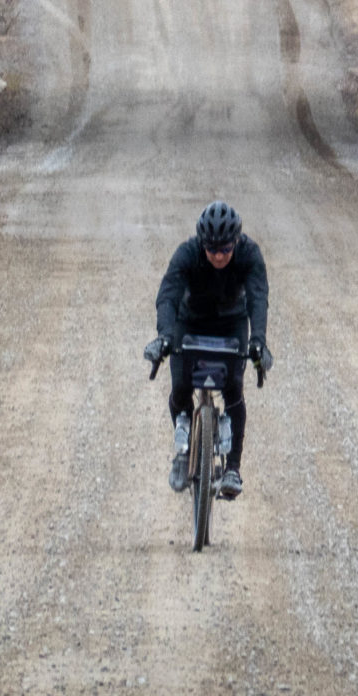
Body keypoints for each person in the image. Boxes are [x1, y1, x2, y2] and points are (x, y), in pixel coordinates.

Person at [143, 201, 271, 498]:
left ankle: (233, 469)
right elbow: (168, 295)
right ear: (202, 244)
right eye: (211, 249)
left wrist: (258, 341)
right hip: (190, 323)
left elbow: (258, 297)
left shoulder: (249, 255)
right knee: (180, 387)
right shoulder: (187, 254)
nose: (218, 255)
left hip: (231, 324)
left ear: (235, 242)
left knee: (234, 390)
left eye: (225, 249)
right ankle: (184, 453)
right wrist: (164, 336)